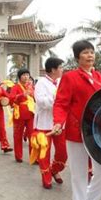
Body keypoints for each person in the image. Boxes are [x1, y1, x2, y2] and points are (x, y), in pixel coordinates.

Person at [53, 40, 101, 200]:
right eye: (85, 52)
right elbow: (61, 103)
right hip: (76, 132)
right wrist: (58, 123)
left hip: (98, 132)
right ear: (78, 57)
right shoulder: (70, 77)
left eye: (92, 52)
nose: (90, 55)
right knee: (79, 175)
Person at [32, 57, 67, 189]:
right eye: (60, 67)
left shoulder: (60, 82)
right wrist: (57, 99)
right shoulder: (41, 83)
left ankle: (55, 169)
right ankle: (46, 176)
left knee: (63, 152)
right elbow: (40, 101)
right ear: (53, 69)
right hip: (44, 123)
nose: (62, 70)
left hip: (59, 123)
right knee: (44, 152)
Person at [9, 68, 35, 163]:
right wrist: (22, 95)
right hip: (19, 114)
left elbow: (35, 98)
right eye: (24, 75)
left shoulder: (30, 87)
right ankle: (18, 156)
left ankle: (33, 157)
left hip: (30, 114)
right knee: (18, 135)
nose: (26, 77)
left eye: (27, 75)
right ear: (20, 77)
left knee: (32, 136)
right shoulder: (15, 87)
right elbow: (11, 99)